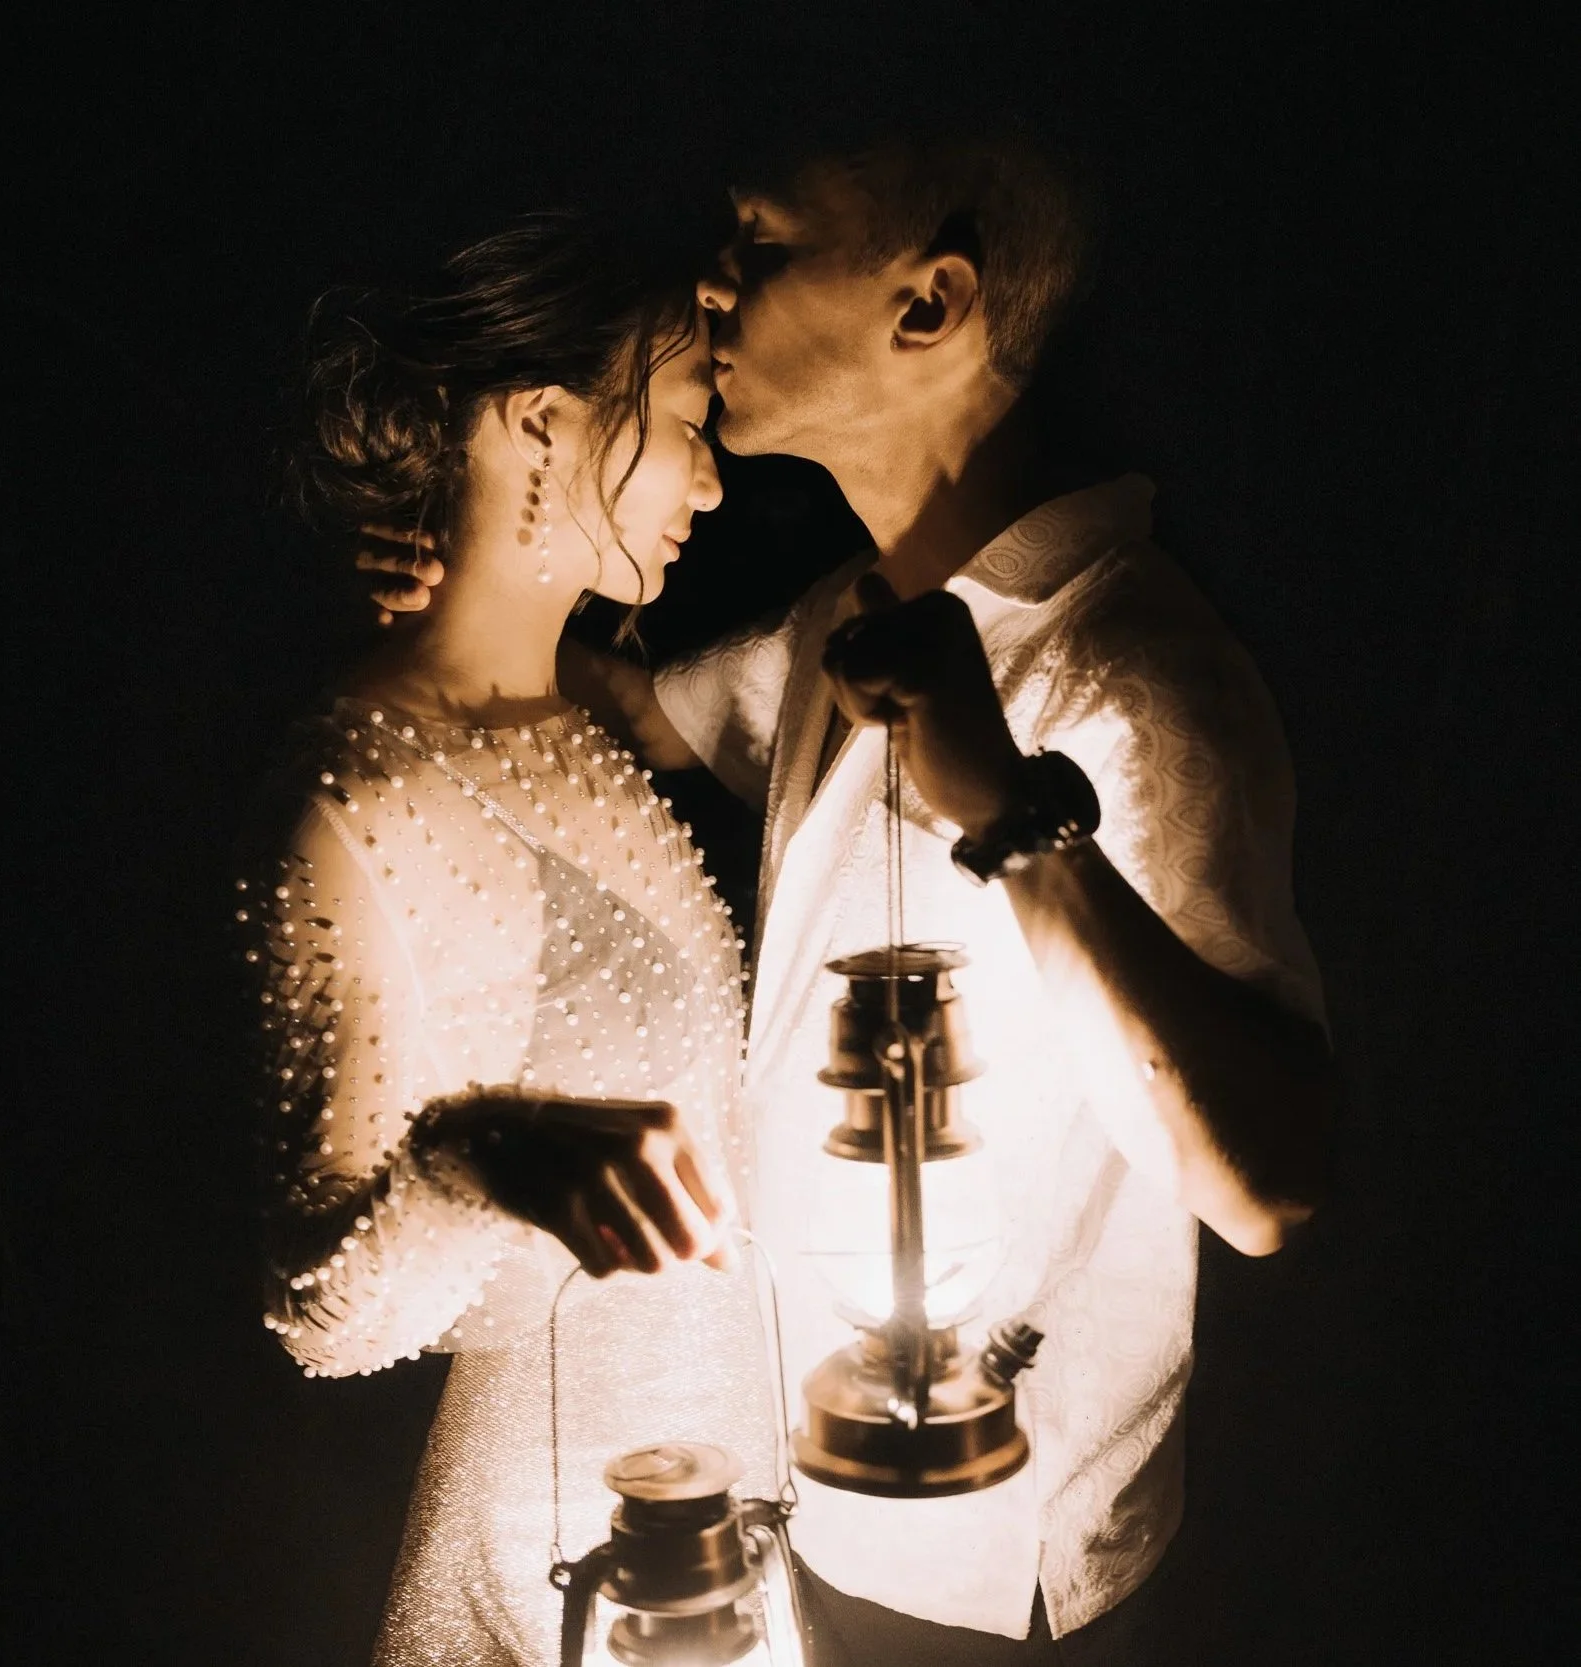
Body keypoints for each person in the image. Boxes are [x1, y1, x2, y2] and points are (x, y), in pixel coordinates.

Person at [367, 117, 1336, 1664]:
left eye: (764, 243)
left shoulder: (1129, 672)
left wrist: (1013, 813)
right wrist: (480, 572)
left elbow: (1266, 1179)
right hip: (818, 1518)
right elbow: (637, 709)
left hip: (1002, 1583)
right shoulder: (847, 621)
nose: (712, 285)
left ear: (930, 305)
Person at [240, 210, 783, 1666]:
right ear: (543, 419)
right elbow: (316, 1312)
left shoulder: (579, 718)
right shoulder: (363, 794)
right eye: (685, 419)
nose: (711, 478)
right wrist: (478, 1153)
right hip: (562, 1574)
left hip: (726, 1535)